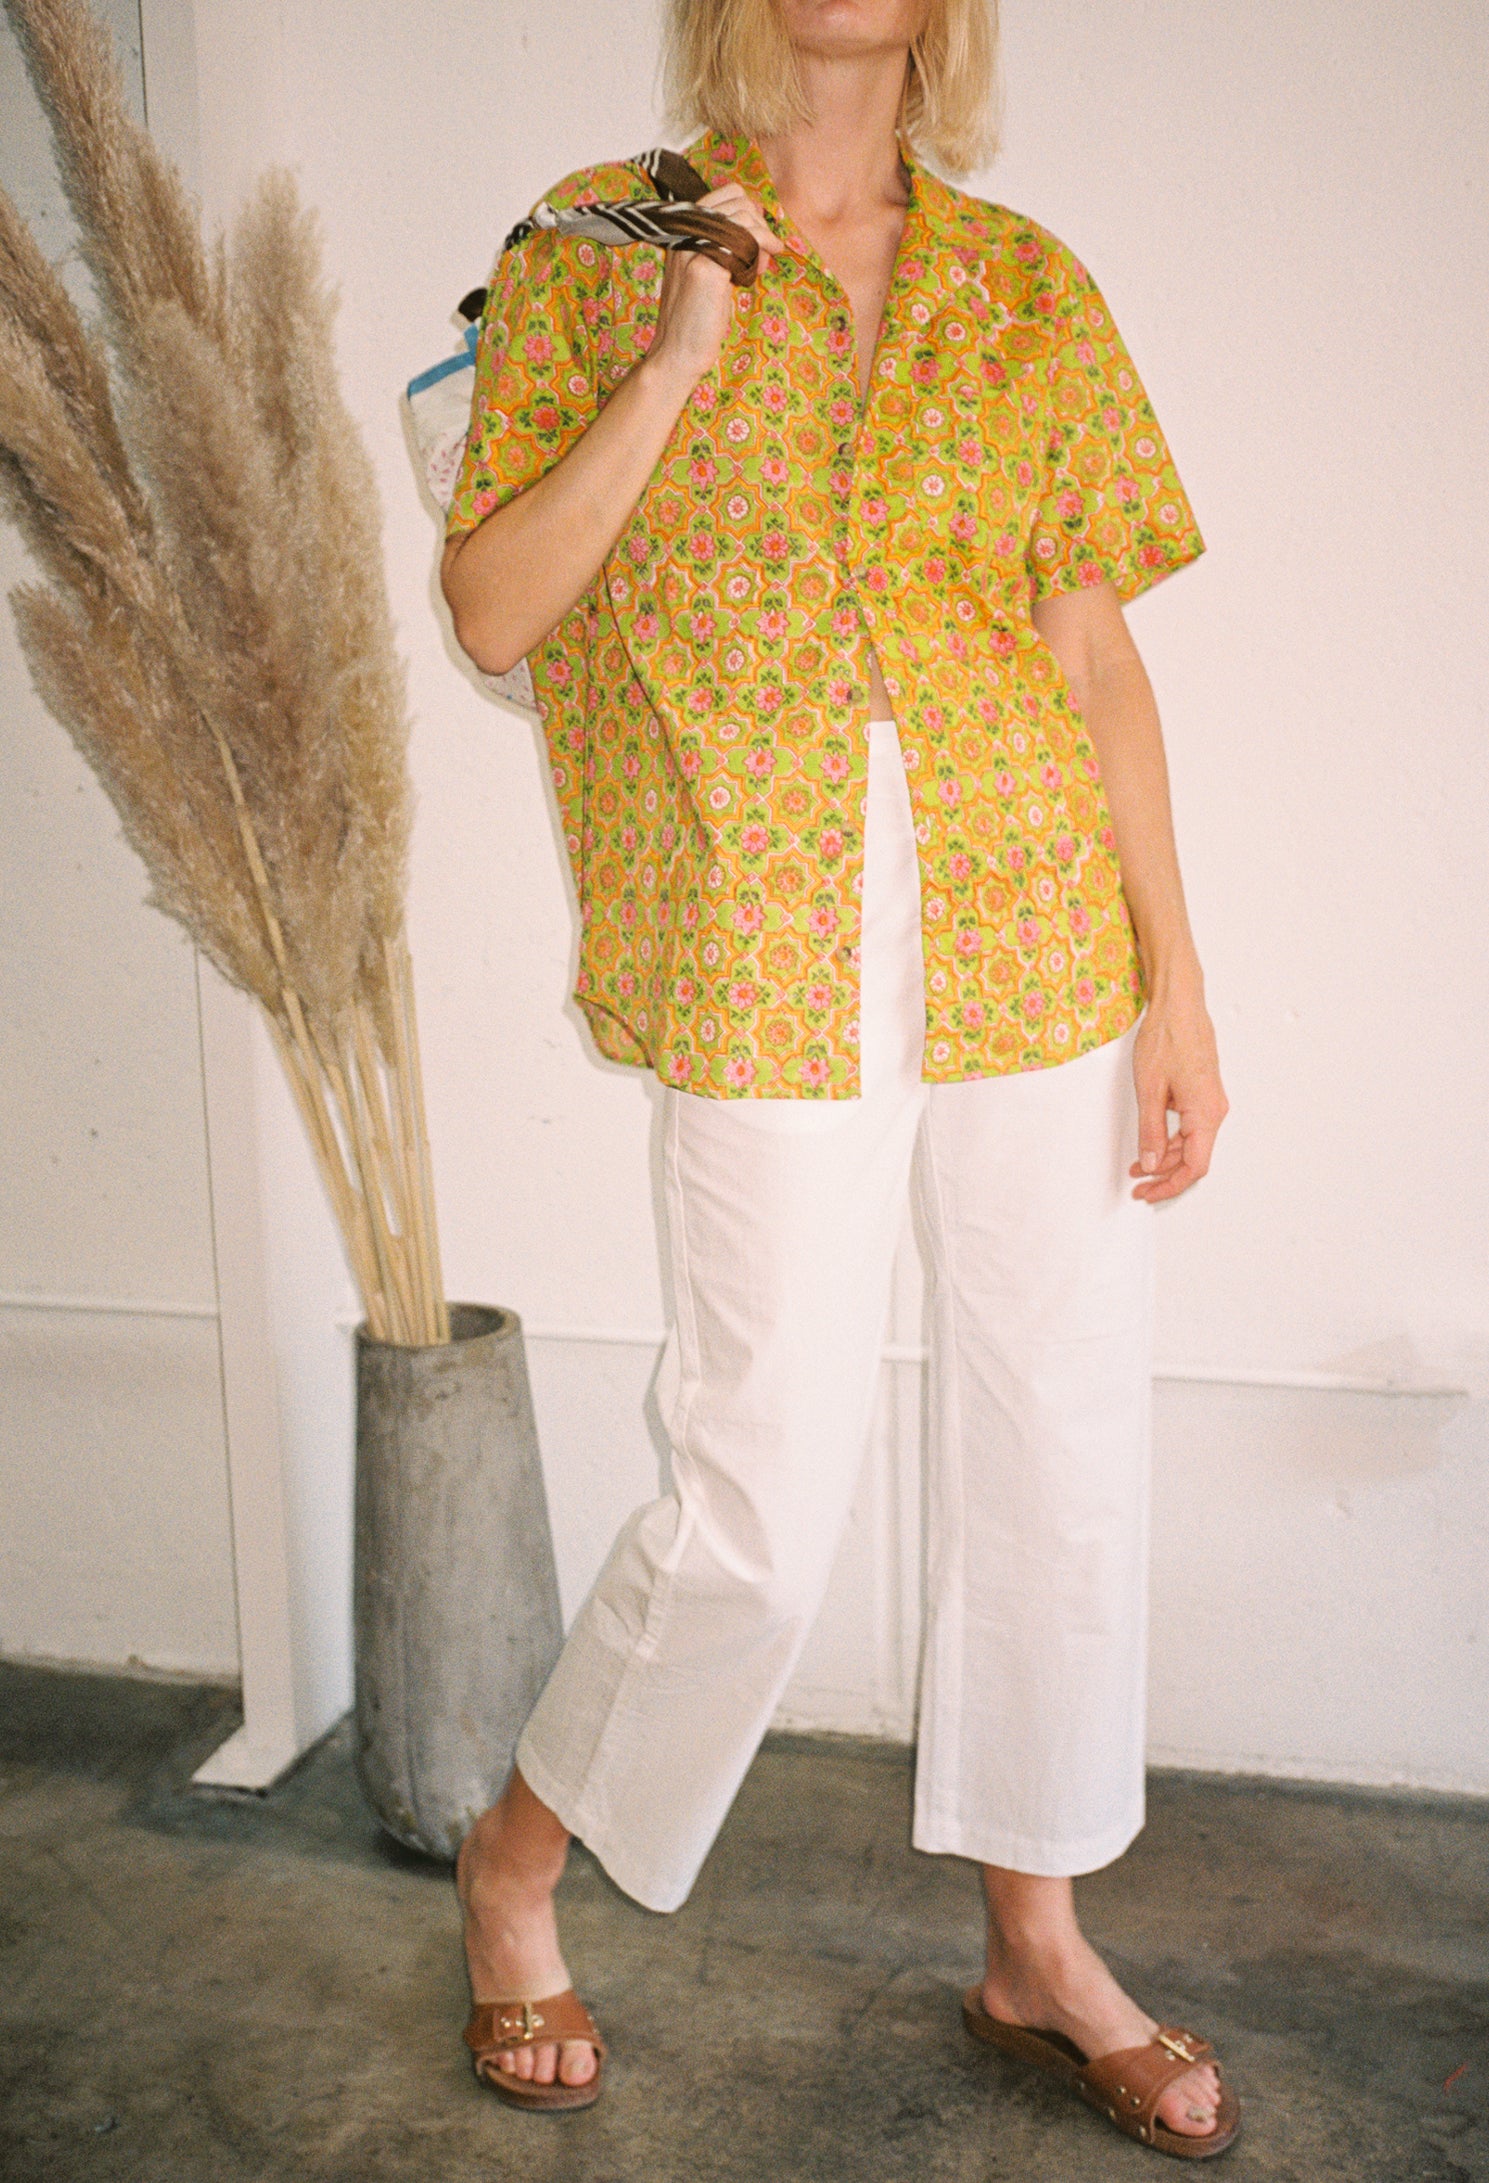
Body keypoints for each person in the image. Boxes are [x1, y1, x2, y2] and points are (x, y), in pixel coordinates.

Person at [440, 0, 1235, 2156]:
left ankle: (1035, 1938)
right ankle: (516, 1858)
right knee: (762, 1491)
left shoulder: (1024, 282)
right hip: (764, 919)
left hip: (1032, 919)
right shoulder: (594, 247)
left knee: (1056, 1437)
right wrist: (677, 358)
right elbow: (494, 611)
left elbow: (1091, 649)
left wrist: (1176, 983)